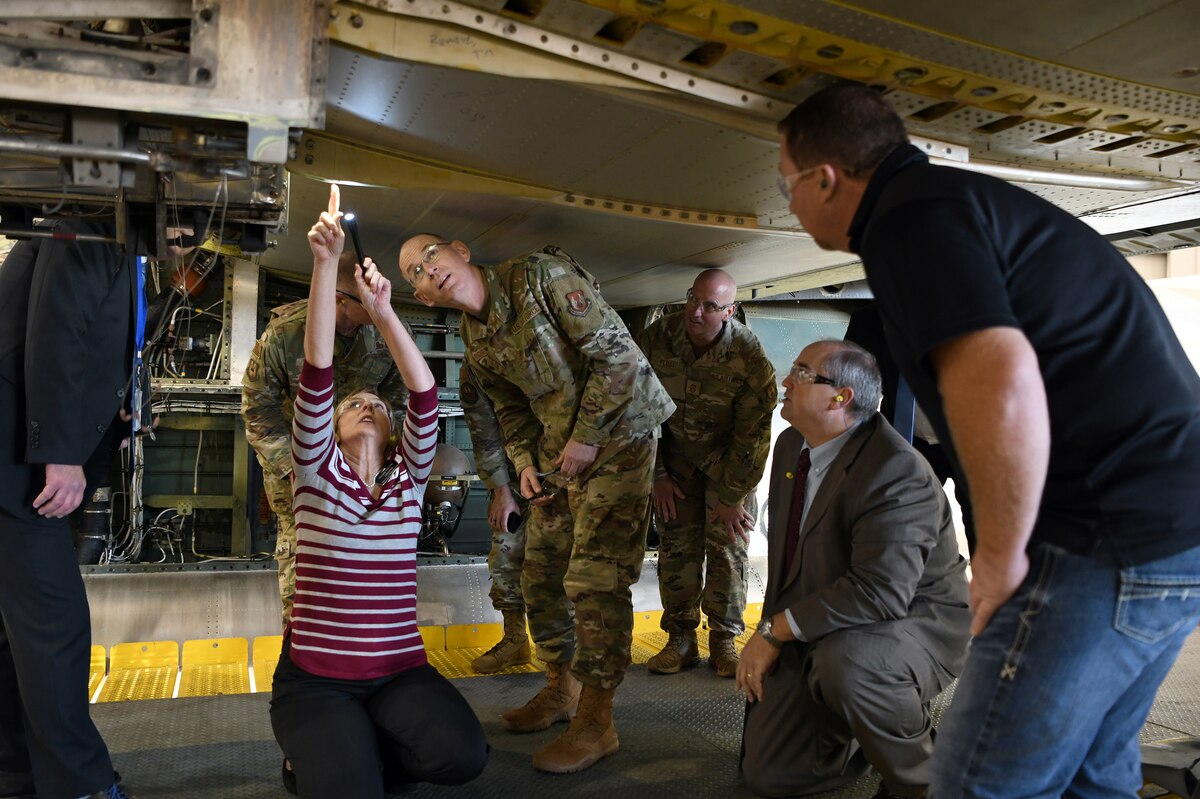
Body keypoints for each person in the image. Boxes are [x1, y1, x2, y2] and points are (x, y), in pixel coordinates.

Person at [776, 84, 1200, 797]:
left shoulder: (907, 223)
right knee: (1092, 776)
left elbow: (999, 377)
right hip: (1172, 528)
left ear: (826, 179)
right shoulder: (957, 205)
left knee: (981, 783)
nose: (786, 202)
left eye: (785, 185)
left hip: (1101, 537)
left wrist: (1000, 558)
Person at [397, 234, 674, 773]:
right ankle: (562, 688)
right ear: (425, 298)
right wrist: (523, 465)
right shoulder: (474, 338)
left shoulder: (539, 276)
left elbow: (618, 354)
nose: (429, 270)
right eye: (415, 273)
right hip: (560, 448)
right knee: (540, 574)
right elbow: (511, 412)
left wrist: (588, 436)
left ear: (460, 250)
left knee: (596, 579)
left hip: (620, 434)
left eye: (431, 255)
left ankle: (597, 722)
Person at [269, 185, 487, 796]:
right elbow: (316, 372)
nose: (367, 405)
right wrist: (324, 263)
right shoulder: (314, 471)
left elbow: (422, 398)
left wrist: (384, 310)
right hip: (317, 680)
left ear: (393, 435)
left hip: (398, 675)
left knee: (463, 758)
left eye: (375, 406)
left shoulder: (406, 481)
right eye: (354, 404)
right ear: (329, 429)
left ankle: (357, 745)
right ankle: (322, 753)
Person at [736, 340, 970, 798]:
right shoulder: (791, 447)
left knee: (849, 667)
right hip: (830, 619)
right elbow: (788, 566)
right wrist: (772, 634)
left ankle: (928, 778)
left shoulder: (895, 471)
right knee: (769, 775)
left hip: (909, 624)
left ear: (840, 397)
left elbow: (882, 593)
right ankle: (862, 737)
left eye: (801, 373)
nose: (785, 381)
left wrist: (773, 633)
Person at [0, 218, 159, 799]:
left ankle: (17, 770)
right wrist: (62, 453)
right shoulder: (92, 225)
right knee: (54, 626)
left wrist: (110, 423)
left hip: (18, 454)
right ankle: (80, 785)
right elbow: (57, 331)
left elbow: (90, 342)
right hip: (16, 457)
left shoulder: (115, 239)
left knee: (19, 629)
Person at [242, 252, 410, 623]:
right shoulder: (286, 335)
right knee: (304, 553)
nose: (380, 304)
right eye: (366, 299)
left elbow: (401, 391)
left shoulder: (388, 327)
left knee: (366, 551)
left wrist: (380, 446)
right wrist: (294, 466)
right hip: (298, 465)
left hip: (364, 465)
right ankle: (299, 643)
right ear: (339, 299)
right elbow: (258, 409)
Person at [637, 269, 776, 678]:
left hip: (727, 468)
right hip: (674, 462)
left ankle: (723, 641)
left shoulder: (749, 358)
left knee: (727, 551)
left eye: (710, 306)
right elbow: (641, 410)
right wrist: (657, 474)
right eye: (692, 299)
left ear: (729, 311)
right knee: (677, 551)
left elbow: (754, 437)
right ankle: (679, 641)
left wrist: (732, 498)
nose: (696, 312)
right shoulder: (659, 338)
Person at [458, 363, 532, 674]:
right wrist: (501, 490)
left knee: (563, 565)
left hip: (563, 468)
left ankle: (579, 651)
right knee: (505, 556)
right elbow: (483, 429)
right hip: (512, 475)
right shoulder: (478, 362)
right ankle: (515, 640)